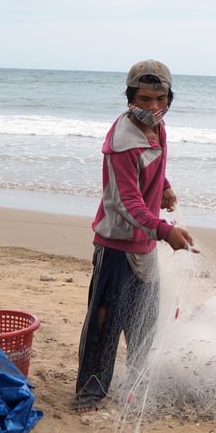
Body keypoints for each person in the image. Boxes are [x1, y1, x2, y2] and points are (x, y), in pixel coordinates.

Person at [73, 59, 194, 412]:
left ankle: (136, 384)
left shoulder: (158, 128)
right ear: (130, 98)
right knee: (105, 323)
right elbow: (127, 203)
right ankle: (89, 394)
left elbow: (155, 167)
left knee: (144, 319)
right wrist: (164, 230)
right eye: (144, 99)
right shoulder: (124, 143)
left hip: (144, 242)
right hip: (116, 246)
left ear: (170, 98)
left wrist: (165, 188)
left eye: (160, 99)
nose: (153, 107)